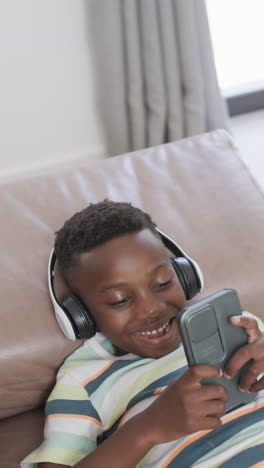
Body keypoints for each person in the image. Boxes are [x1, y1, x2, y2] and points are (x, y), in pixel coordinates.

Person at [22, 200, 264, 468]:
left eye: (162, 283)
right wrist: (147, 429)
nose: (151, 310)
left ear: (185, 276)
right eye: (119, 300)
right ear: (82, 315)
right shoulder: (81, 381)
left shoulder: (238, 323)